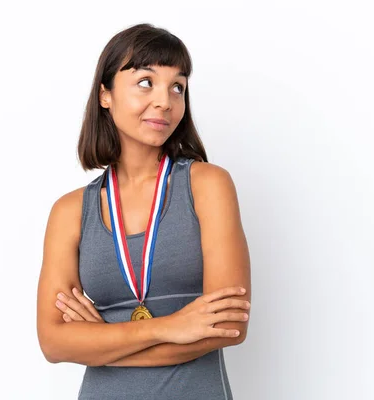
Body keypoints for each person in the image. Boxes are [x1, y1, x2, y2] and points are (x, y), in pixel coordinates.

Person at [36, 23, 252, 400]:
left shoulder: (207, 186)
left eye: (177, 86)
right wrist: (169, 327)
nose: (165, 101)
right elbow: (54, 342)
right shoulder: (70, 211)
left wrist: (99, 341)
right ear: (105, 94)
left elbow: (228, 325)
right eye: (145, 82)